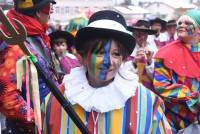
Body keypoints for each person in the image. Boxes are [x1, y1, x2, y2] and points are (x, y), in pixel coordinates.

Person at [42, 10, 172, 134]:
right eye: (99, 52)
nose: (108, 61)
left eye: (116, 54)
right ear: (83, 56)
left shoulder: (147, 103)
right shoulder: (55, 101)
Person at [0, 0, 56, 133]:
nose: (51, 12)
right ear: (38, 12)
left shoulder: (38, 38)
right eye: (49, 7)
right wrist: (38, 121)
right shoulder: (15, 46)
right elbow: (7, 98)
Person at [153, 9, 200, 133]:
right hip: (174, 121)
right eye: (180, 23)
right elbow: (161, 86)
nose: (181, 25)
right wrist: (193, 98)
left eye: (187, 23)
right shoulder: (165, 53)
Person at [127, 19, 157, 90]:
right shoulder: (126, 49)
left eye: (144, 34)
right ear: (133, 33)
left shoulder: (154, 50)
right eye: (139, 33)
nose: (142, 37)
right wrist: (134, 62)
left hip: (148, 90)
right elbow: (122, 74)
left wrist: (150, 61)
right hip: (130, 88)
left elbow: (156, 77)